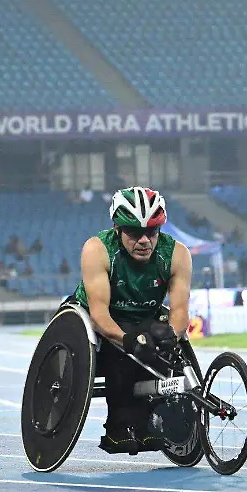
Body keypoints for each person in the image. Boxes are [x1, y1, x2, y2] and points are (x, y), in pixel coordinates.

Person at [70, 186, 193, 455]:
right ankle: (118, 427)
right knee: (123, 352)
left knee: (159, 340)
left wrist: (171, 335)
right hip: (98, 318)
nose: (144, 240)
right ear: (117, 228)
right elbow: (99, 314)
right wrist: (127, 341)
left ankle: (149, 421)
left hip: (144, 316)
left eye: (151, 232)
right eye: (134, 233)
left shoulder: (177, 254)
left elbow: (180, 310)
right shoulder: (98, 249)